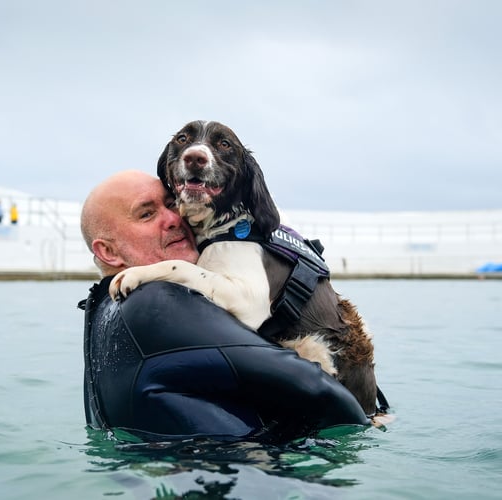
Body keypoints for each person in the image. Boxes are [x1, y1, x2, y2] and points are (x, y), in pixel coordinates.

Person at [79, 171, 369, 442]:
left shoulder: (105, 317)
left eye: (171, 203)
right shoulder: (152, 302)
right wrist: (369, 418)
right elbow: (320, 390)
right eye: (146, 214)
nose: (174, 218)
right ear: (108, 251)